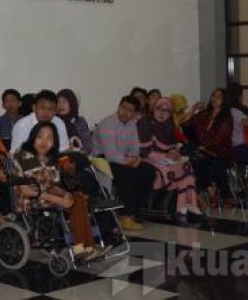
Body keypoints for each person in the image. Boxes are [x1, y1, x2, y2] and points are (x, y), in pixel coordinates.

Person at [13, 121, 106, 261]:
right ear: (33, 138)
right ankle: (82, 249)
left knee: (79, 198)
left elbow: (54, 185)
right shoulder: (23, 156)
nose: (44, 142)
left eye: (49, 138)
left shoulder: (54, 159)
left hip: (50, 198)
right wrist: (58, 199)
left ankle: (87, 249)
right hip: (31, 200)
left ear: (54, 142)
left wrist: (65, 194)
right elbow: (26, 190)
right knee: (75, 202)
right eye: (40, 136)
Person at [93, 96, 155, 231]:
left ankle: (135, 211)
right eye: (123, 108)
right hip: (103, 161)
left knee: (149, 171)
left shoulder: (132, 124)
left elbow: (134, 147)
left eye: (130, 110)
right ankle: (125, 215)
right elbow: (110, 154)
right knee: (127, 173)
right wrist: (128, 162)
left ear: (135, 114)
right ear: (119, 107)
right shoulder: (106, 123)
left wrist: (135, 159)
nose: (125, 112)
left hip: (123, 160)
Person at [137, 97, 201, 217]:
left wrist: (174, 151)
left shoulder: (169, 124)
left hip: (164, 159)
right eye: (159, 109)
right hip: (147, 158)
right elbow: (142, 150)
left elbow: (173, 143)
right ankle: (164, 207)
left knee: (186, 165)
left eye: (166, 111)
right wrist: (165, 155)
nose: (162, 113)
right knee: (166, 169)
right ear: (153, 109)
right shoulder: (145, 123)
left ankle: (186, 205)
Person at [184, 88, 234, 206]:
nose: (214, 99)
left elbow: (219, 139)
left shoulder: (226, 118)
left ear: (224, 100)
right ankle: (210, 190)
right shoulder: (204, 114)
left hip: (221, 151)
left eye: (218, 97)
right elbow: (185, 125)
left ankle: (226, 195)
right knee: (197, 159)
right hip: (203, 151)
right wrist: (193, 109)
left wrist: (205, 148)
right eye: (213, 96)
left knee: (217, 165)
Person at [56, 89, 93, 154]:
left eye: (64, 101)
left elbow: (88, 145)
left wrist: (81, 152)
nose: (61, 105)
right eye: (58, 102)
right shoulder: (53, 121)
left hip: (78, 155)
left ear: (72, 103)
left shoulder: (79, 121)